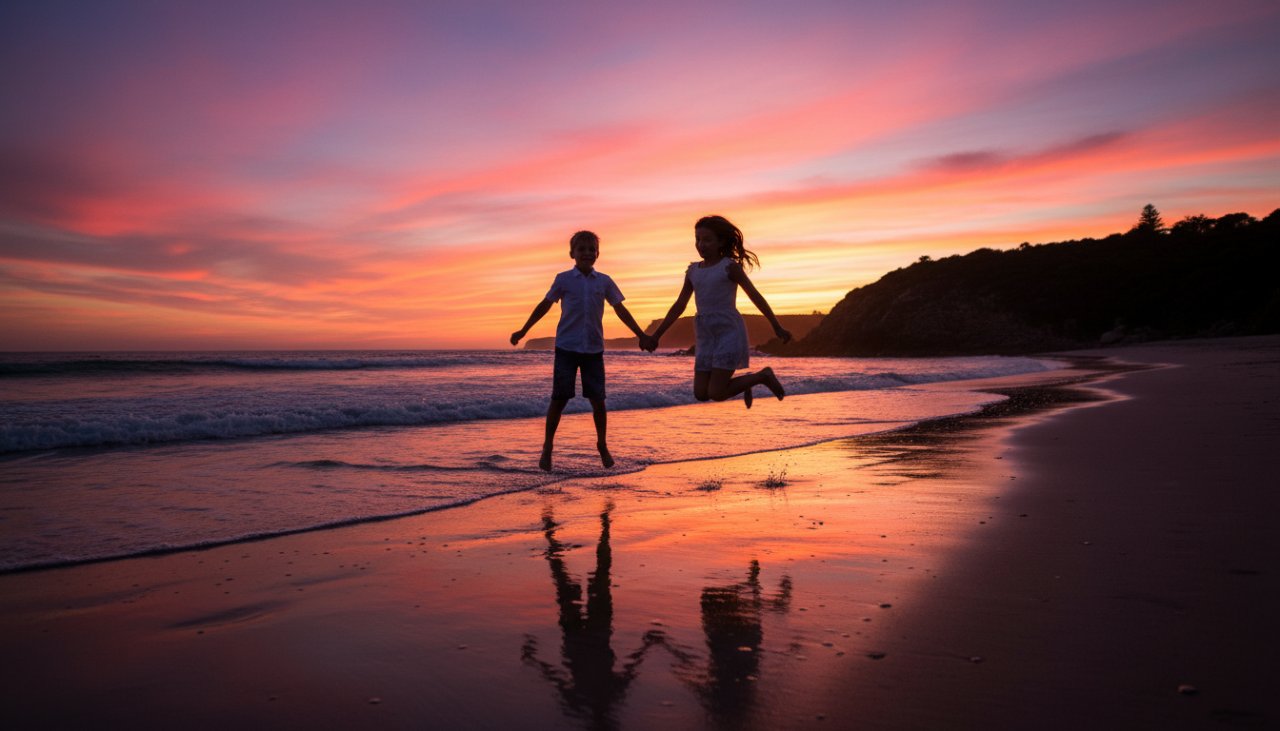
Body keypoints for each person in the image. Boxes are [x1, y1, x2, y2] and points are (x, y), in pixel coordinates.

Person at [511, 231, 655, 471]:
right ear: (572, 254)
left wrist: (641, 335)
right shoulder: (563, 279)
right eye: (582, 249)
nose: (587, 253)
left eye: (591, 249)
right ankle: (548, 446)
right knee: (559, 399)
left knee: (598, 401)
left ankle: (602, 444)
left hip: (593, 350)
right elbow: (545, 305)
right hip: (566, 348)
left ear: (597, 254)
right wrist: (524, 330)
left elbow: (621, 309)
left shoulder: (604, 281)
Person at [648, 215, 791, 407]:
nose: (701, 244)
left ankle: (762, 376)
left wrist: (776, 326)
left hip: (728, 331)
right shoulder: (693, 271)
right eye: (697, 239)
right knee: (701, 393)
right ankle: (746, 381)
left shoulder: (729, 267)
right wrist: (657, 334)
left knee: (716, 392)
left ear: (721, 241)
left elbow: (755, 296)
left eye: (707, 240)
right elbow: (679, 305)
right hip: (706, 335)